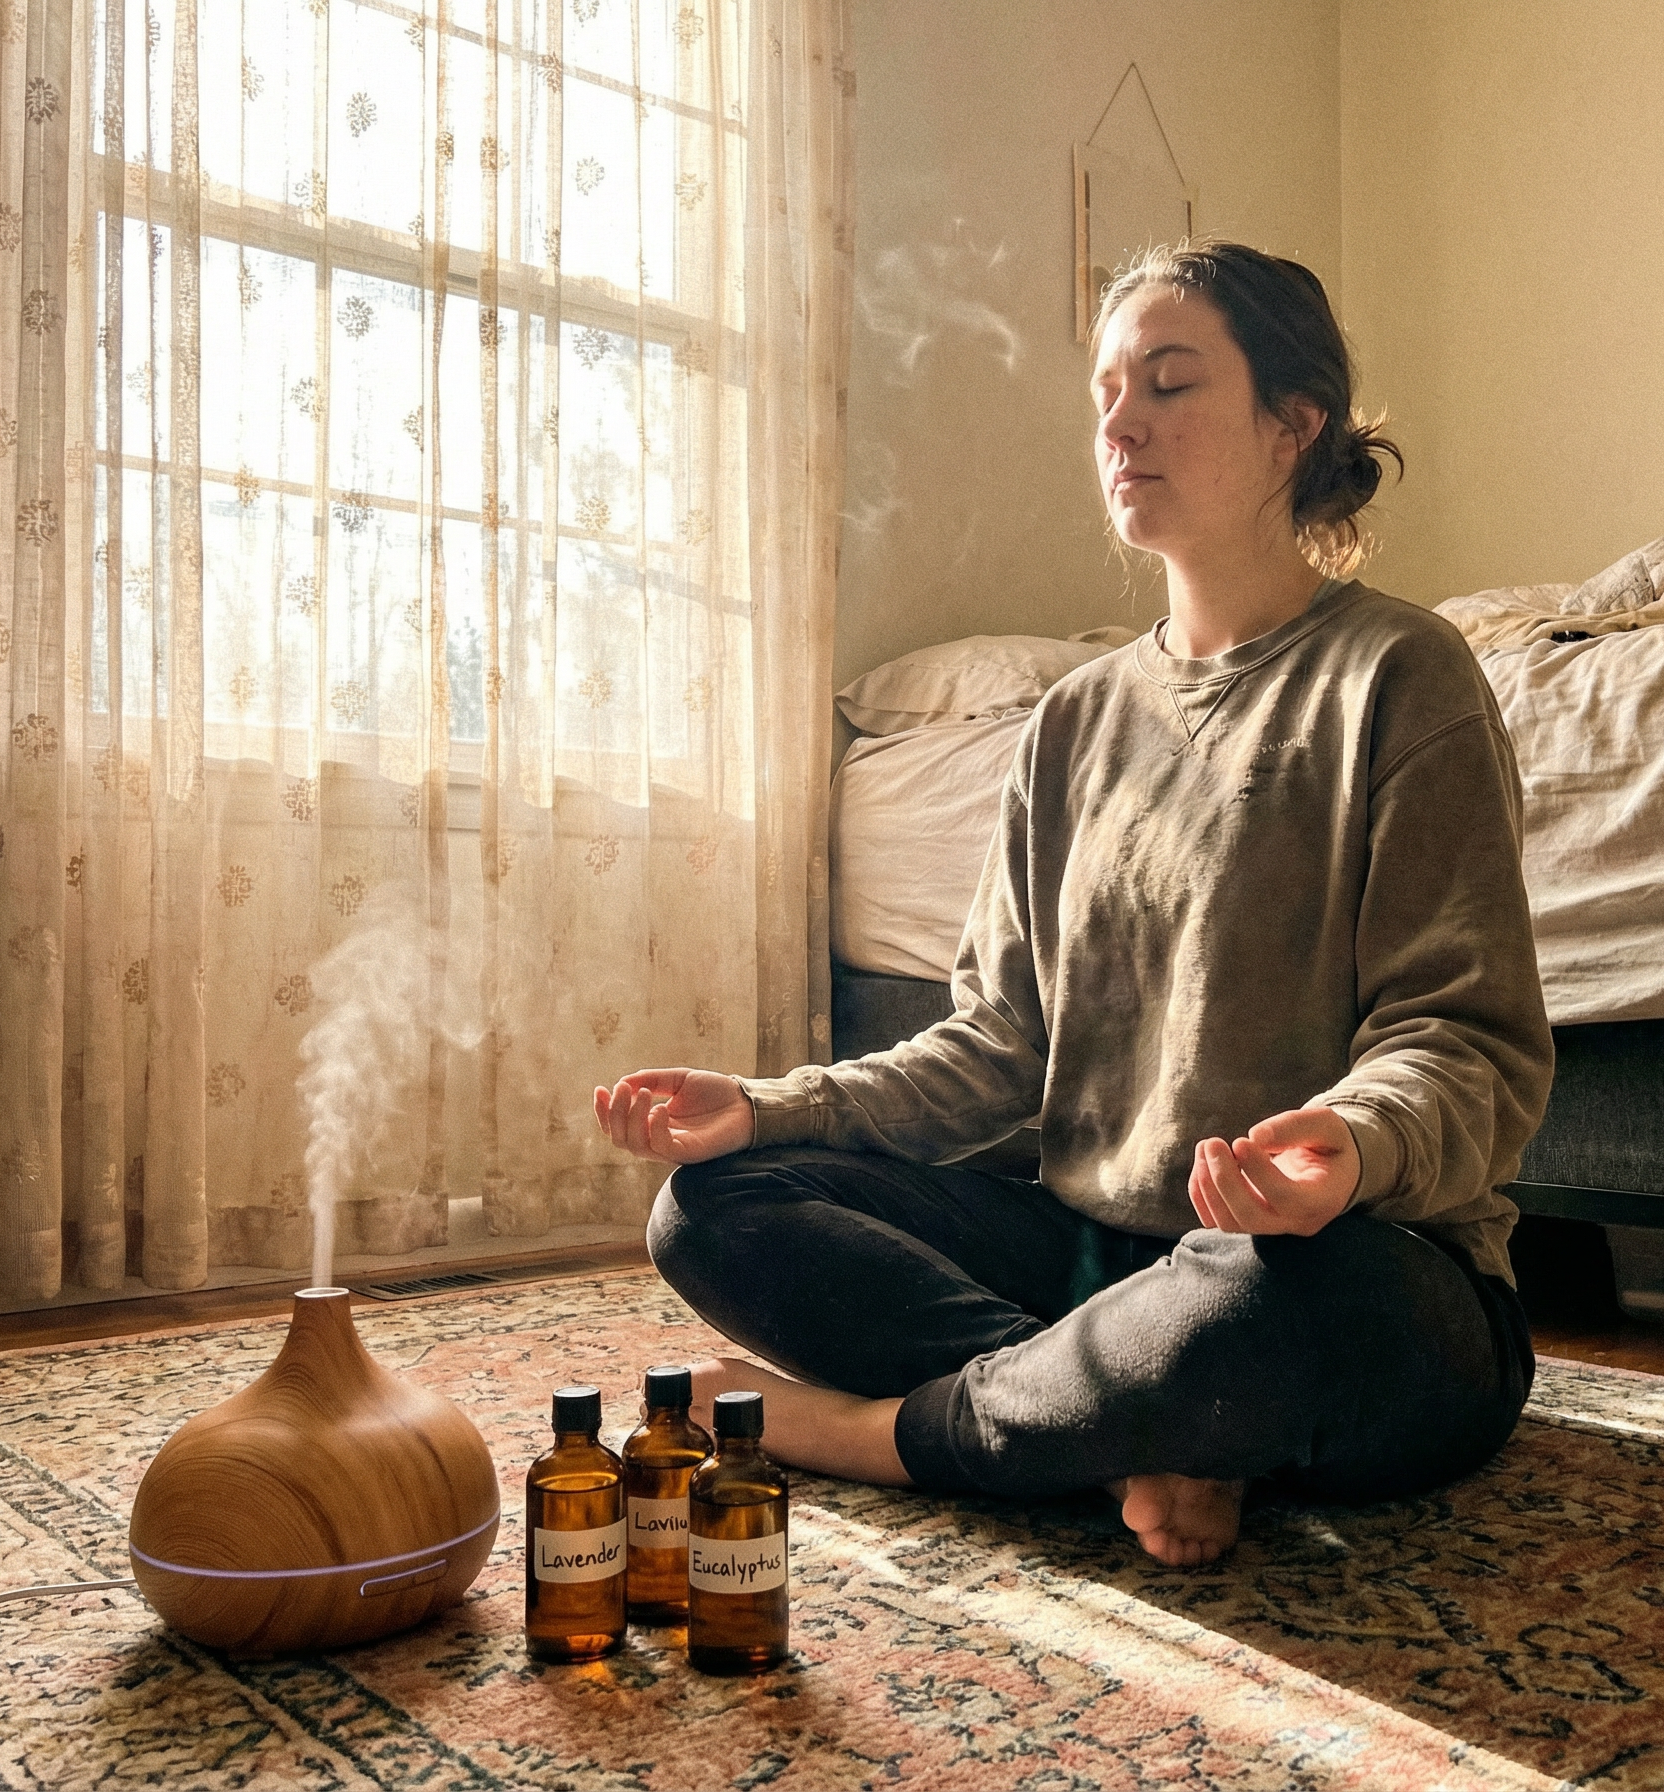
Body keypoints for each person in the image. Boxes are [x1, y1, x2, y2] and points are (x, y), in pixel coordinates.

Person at [595, 239, 1551, 1567]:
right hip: (1097, 1263)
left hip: (1339, 1267)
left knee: (1255, 1313)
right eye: (1107, 393)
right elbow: (994, 1054)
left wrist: (1351, 1141)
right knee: (711, 1204)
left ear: (1294, 424)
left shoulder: (1401, 673)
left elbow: (1464, 1040)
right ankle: (1129, 1434)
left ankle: (879, 1433)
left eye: (1169, 383)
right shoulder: (1070, 724)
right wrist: (765, 1108)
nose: (1122, 423)